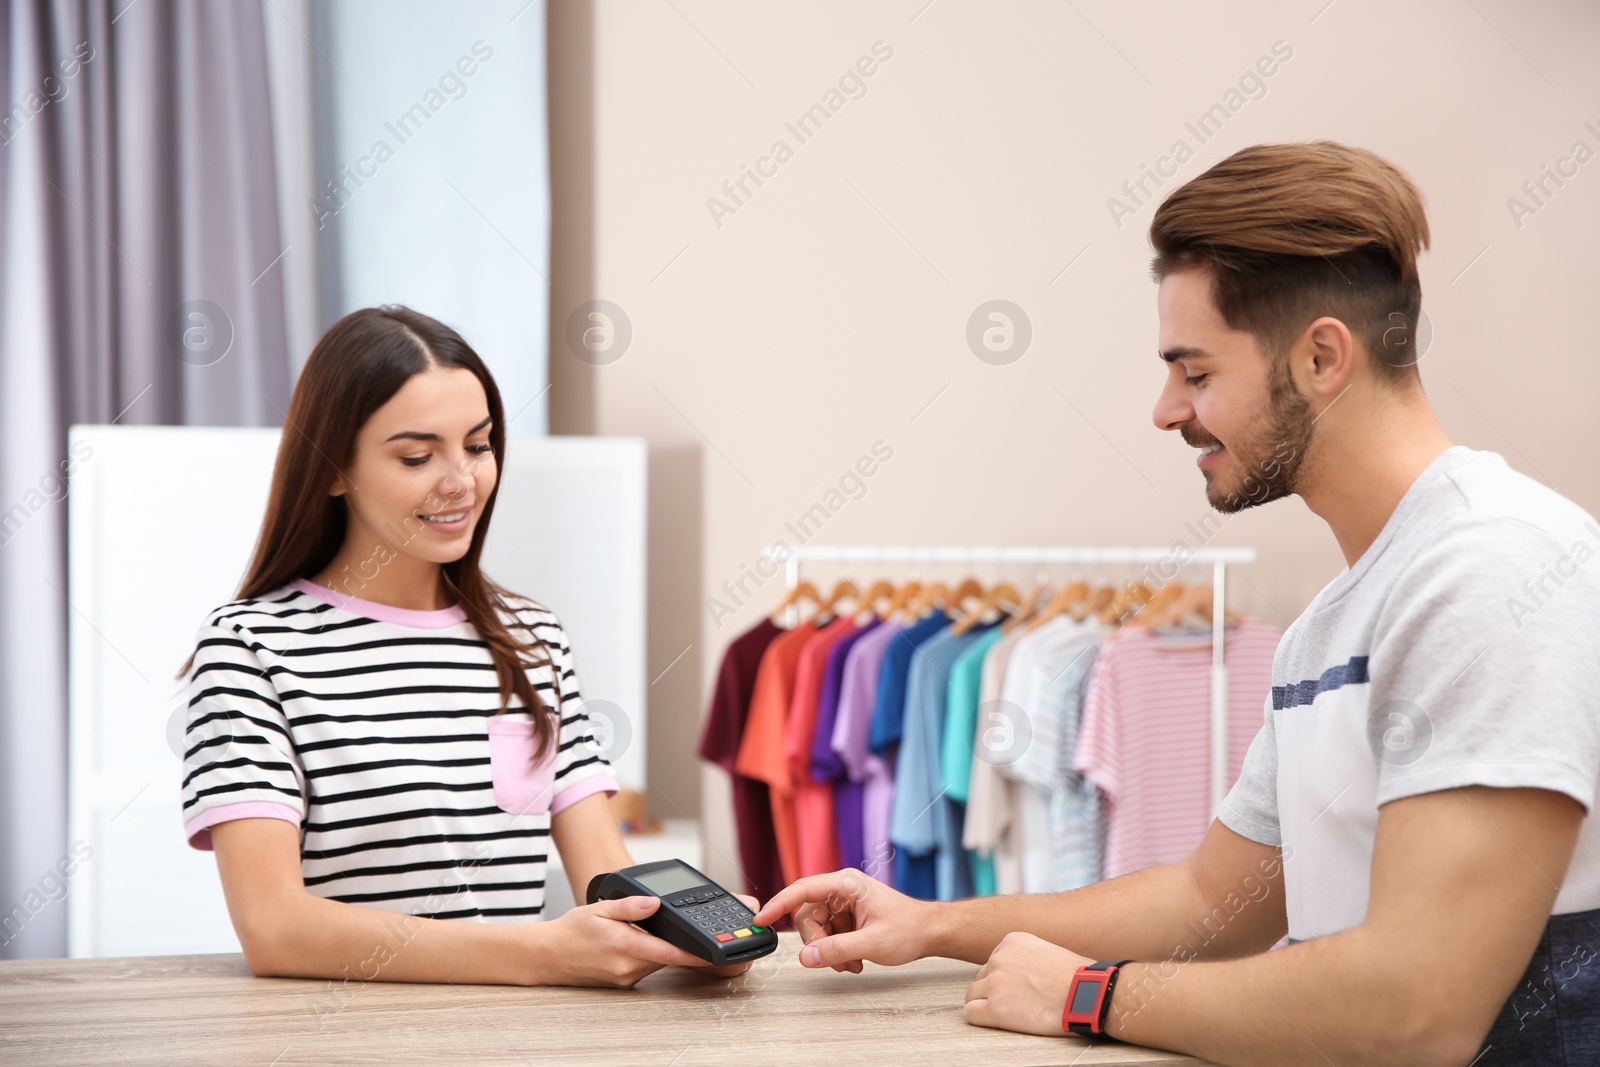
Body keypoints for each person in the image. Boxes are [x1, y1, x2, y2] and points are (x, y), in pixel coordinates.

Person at [752, 141, 1600, 1065]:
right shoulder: (1331, 625)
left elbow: (1416, 1008)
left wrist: (1087, 995)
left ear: (1322, 356)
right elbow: (1212, 899)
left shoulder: (1496, 571)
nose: (1165, 410)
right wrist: (930, 923)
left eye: (1195, 373)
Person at [178, 306, 751, 988]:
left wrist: (674, 932)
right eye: (417, 456)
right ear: (332, 467)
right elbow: (274, 928)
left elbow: (610, 879)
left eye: (478, 446)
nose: (461, 480)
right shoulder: (248, 650)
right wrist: (542, 953)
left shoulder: (533, 640)